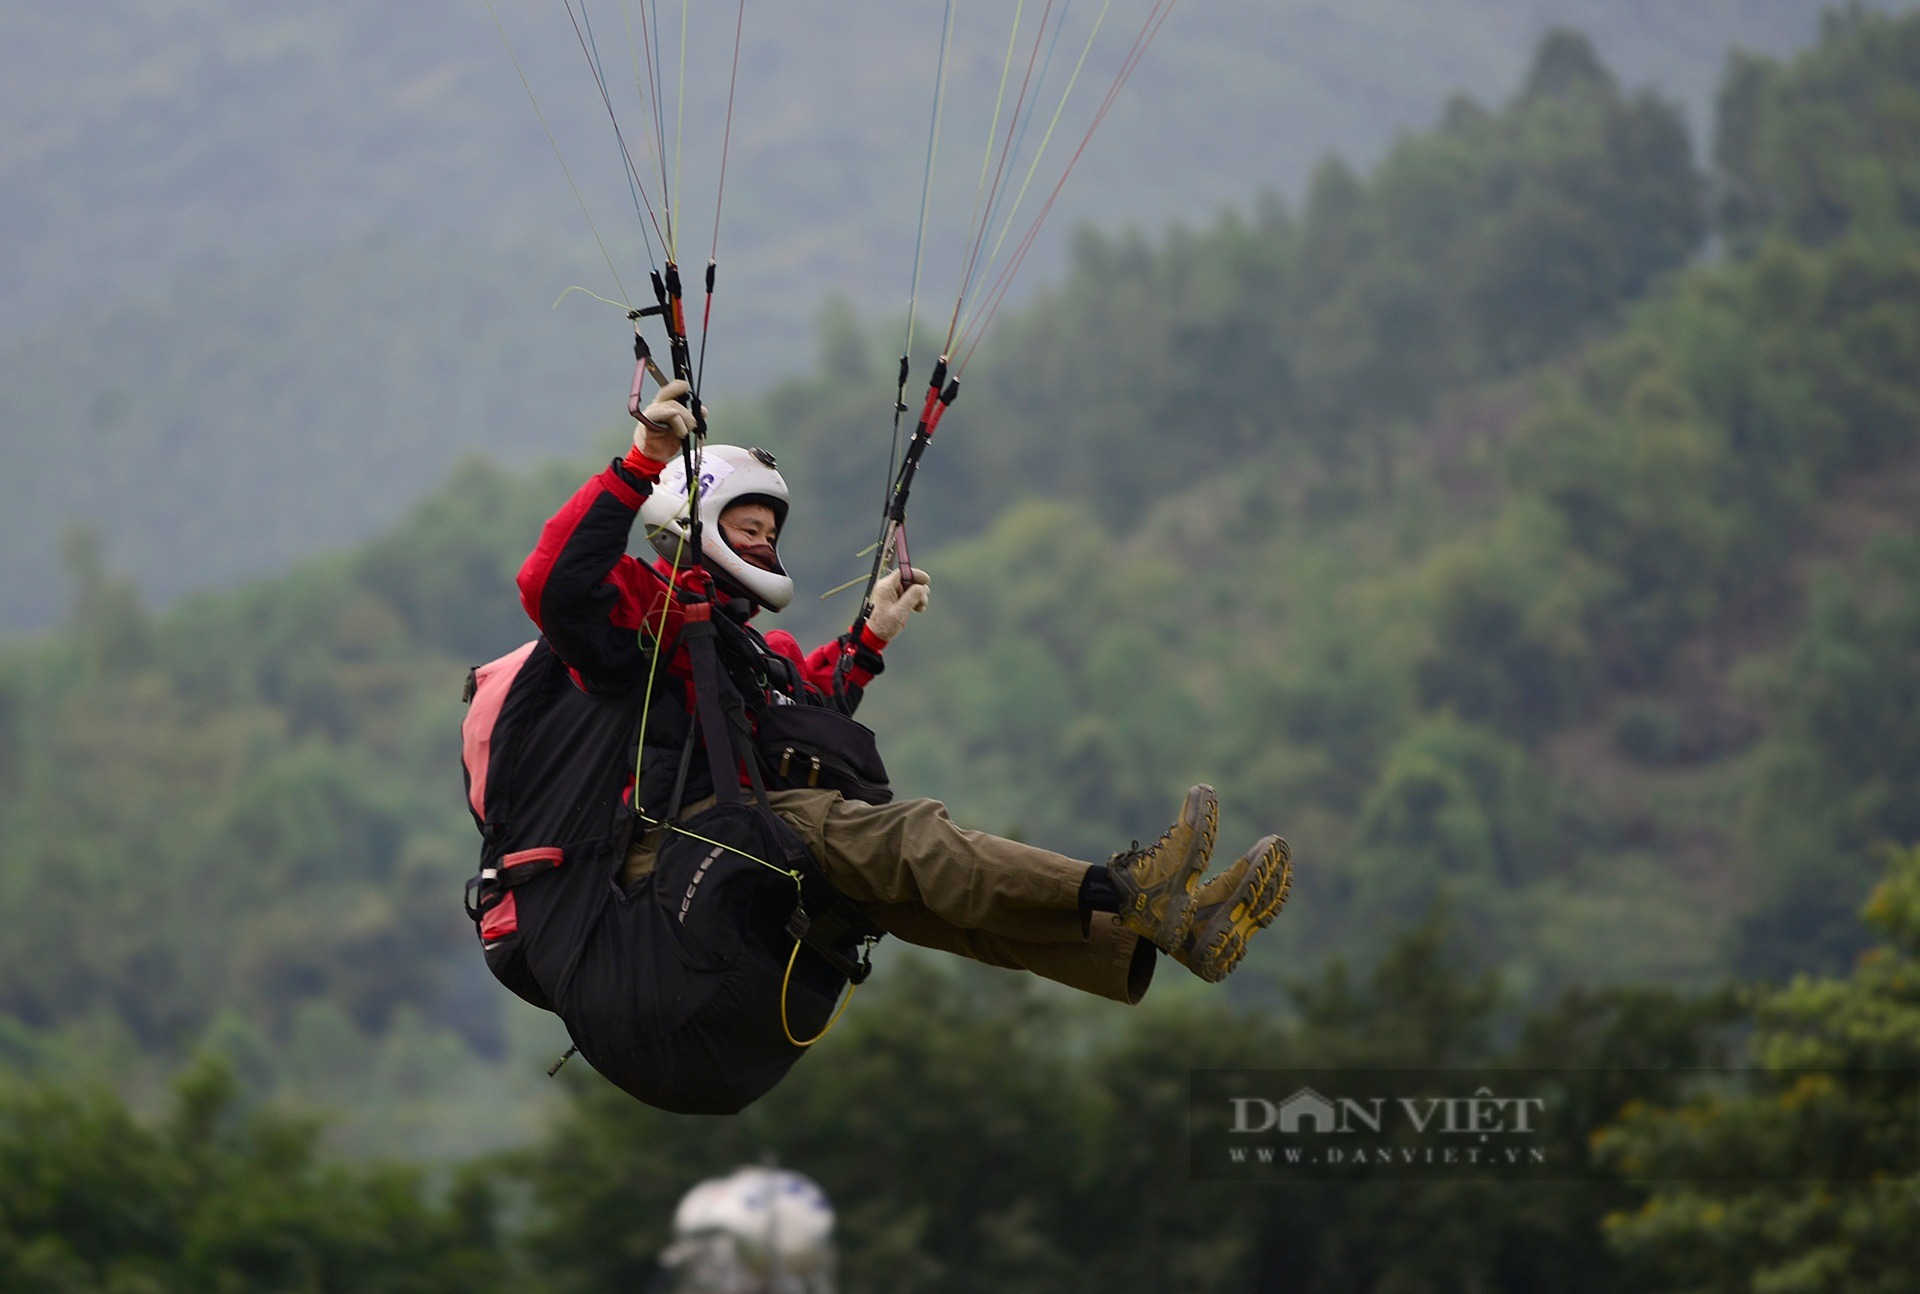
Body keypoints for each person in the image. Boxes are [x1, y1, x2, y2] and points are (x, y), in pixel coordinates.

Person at [466, 379, 1291, 1113]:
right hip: (660, 868)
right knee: (906, 836)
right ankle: (1123, 887)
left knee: (914, 896)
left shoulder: (743, 648)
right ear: (695, 520)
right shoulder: (641, 610)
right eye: (744, 526)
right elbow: (551, 585)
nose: (761, 545)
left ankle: (1171, 929)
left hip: (733, 860)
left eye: (769, 531)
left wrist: (869, 640)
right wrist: (643, 459)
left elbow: (798, 715)